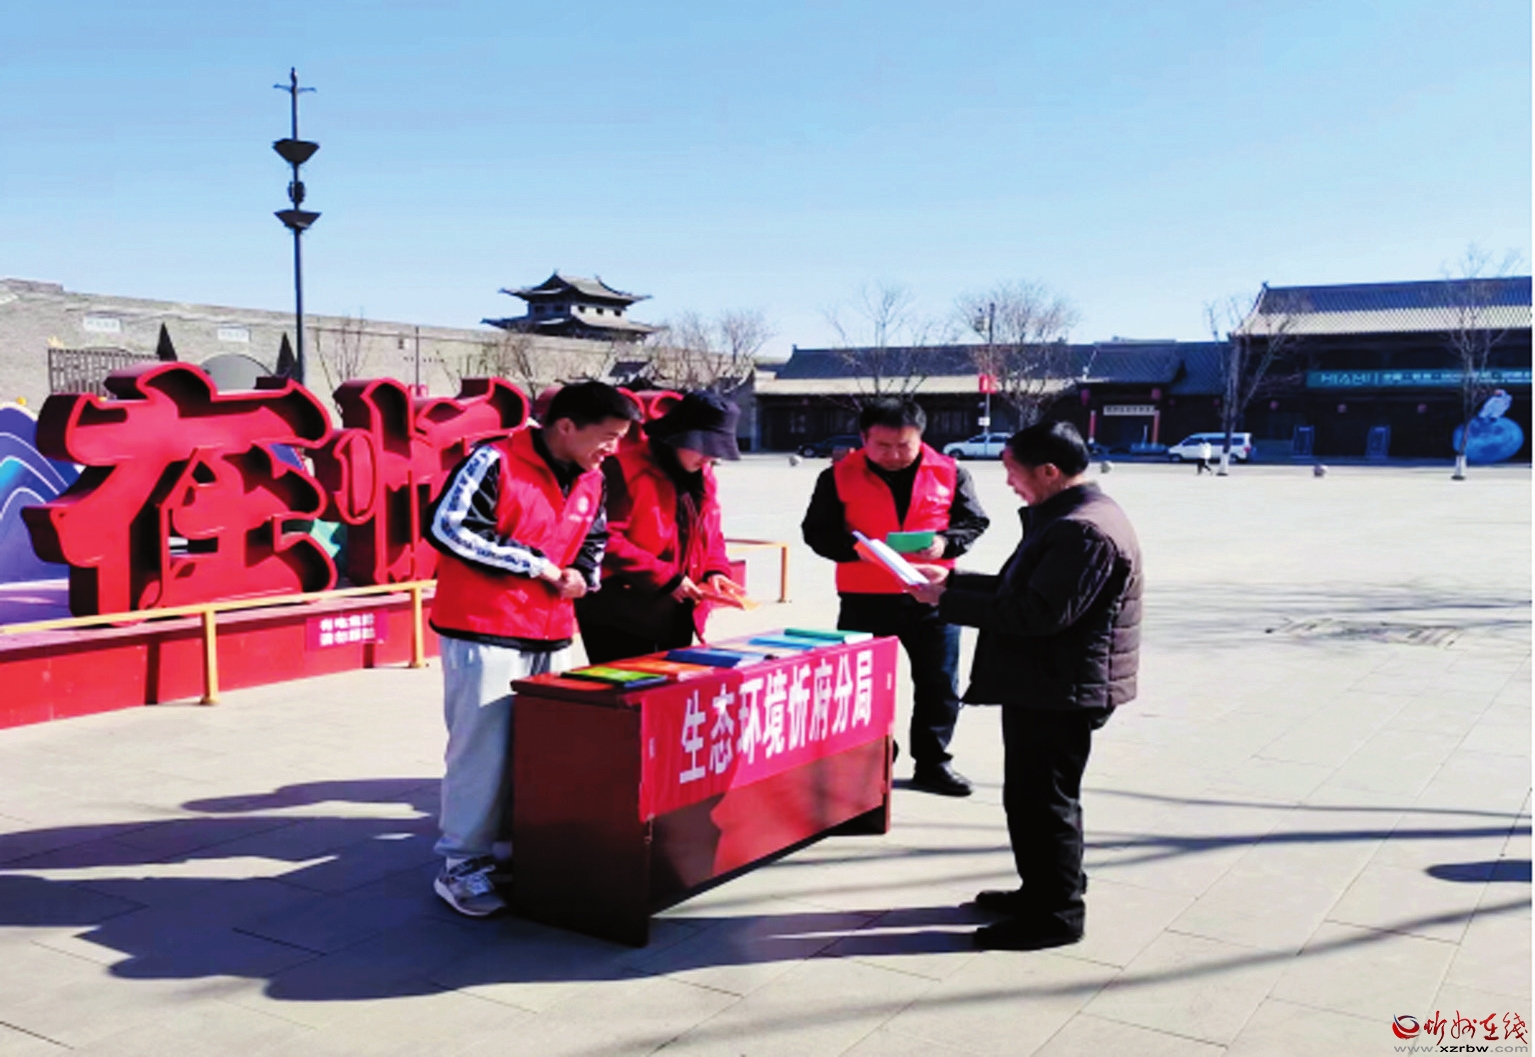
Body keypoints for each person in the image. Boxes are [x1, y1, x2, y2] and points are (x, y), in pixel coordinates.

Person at [905, 420, 1141, 950]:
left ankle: (1056, 914)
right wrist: (953, 582)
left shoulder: (1082, 529)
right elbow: (1026, 589)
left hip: (1059, 688)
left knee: (1044, 803)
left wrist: (946, 601)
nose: (1010, 483)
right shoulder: (1072, 516)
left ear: (1049, 471)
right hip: (1051, 681)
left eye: (1014, 472)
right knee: (1036, 799)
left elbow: (1037, 613)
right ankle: (1043, 889)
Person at [425, 380, 640, 917]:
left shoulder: (592, 478)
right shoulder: (493, 460)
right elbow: (448, 526)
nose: (613, 449)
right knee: (481, 752)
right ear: (566, 426)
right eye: (608, 437)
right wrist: (537, 566)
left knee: (543, 749)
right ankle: (462, 865)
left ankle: (518, 848)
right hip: (483, 628)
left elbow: (593, 540)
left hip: (553, 630)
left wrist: (583, 575)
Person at [801, 398, 990, 796]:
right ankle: (875, 756)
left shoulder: (950, 471)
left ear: (920, 437)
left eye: (904, 445)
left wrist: (945, 543)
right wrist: (857, 550)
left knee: (939, 683)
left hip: (932, 596)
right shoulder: (838, 476)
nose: (894, 455)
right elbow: (816, 532)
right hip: (864, 597)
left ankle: (933, 762)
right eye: (883, 446)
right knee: (862, 686)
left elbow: (974, 521)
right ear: (863, 439)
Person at [576, 390, 747, 662]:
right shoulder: (622, 470)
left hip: (677, 608)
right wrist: (666, 577)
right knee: (628, 687)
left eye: (715, 451)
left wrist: (715, 570)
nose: (708, 458)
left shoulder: (704, 476)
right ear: (677, 436)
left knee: (672, 684)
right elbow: (603, 538)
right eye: (703, 447)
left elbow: (711, 532)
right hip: (620, 611)